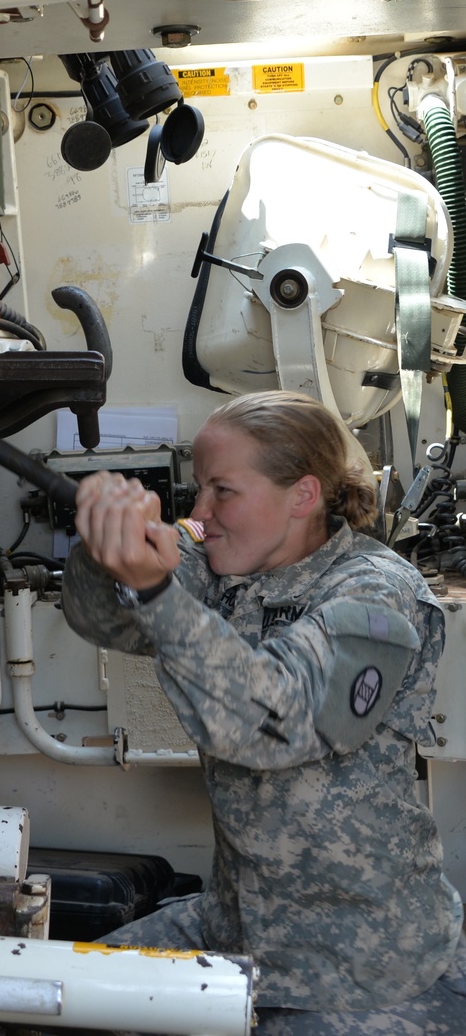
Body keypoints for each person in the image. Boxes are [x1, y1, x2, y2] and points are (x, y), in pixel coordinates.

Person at [62, 390, 466, 1034]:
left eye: (223, 490)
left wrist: (158, 589)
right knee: (55, 1001)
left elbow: (270, 727)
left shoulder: (377, 596)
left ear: (302, 496)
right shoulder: (228, 567)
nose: (201, 513)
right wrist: (104, 550)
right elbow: (100, 617)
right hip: (238, 929)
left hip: (358, 963)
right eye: (198, 491)